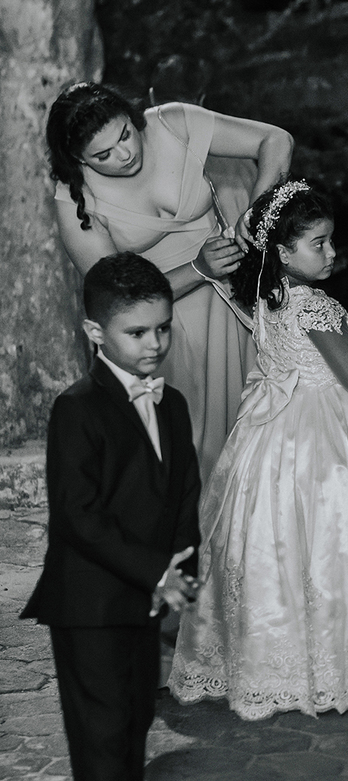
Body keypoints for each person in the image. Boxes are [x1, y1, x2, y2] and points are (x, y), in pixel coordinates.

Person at [168, 180, 348, 720]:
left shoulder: (266, 300)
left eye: (330, 241)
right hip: (330, 433)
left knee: (279, 541)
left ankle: (276, 660)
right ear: (283, 252)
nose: (331, 253)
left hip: (271, 436)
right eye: (318, 243)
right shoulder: (316, 307)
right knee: (343, 537)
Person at [46, 82, 294, 482]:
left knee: (267, 428)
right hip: (168, 324)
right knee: (194, 448)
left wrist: (254, 213)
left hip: (241, 297)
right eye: (103, 155)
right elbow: (116, 296)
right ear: (77, 159)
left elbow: (276, 140)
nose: (125, 153)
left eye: (125, 134)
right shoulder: (74, 199)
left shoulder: (173, 123)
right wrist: (198, 269)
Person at [21, 253, 202, 781]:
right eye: (138, 332)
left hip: (144, 599)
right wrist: (156, 571)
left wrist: (182, 568)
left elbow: (183, 493)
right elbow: (78, 515)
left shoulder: (173, 405)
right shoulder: (77, 408)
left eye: (163, 328)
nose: (155, 344)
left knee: (136, 719)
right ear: (96, 332)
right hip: (91, 602)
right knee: (102, 736)